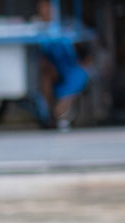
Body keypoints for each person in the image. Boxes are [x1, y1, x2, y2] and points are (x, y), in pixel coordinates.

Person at [35, 0, 88, 131]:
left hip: (69, 66)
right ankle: (47, 115)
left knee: (80, 76)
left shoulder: (66, 25)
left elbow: (83, 48)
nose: (46, 12)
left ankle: (59, 113)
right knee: (45, 76)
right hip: (51, 66)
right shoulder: (37, 28)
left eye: (48, 8)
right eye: (43, 9)